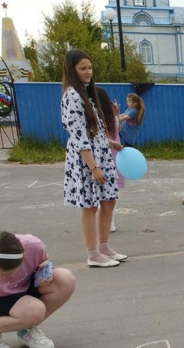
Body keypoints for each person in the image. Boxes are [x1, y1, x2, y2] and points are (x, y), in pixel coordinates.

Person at [60, 49, 127, 268]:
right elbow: (78, 135)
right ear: (72, 71)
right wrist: (93, 167)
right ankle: (92, 253)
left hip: (100, 152)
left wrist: (109, 143)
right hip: (86, 159)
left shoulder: (88, 93)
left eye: (89, 67)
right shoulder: (72, 95)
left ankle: (104, 246)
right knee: (90, 206)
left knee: (109, 200)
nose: (88, 72)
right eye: (82, 68)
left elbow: (92, 129)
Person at [96, 88, 123, 233]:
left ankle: (107, 223)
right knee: (112, 193)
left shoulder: (99, 119)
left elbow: (99, 138)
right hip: (114, 157)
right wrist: (116, 114)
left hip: (103, 158)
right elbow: (116, 132)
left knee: (102, 193)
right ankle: (109, 223)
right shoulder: (112, 118)